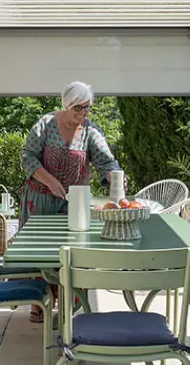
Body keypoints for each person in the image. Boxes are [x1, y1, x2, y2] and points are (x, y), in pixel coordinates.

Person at [19, 81, 122, 322]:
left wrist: (113, 177)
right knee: (41, 251)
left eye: (87, 109)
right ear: (67, 105)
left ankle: (69, 302)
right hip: (40, 199)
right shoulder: (45, 124)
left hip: (73, 203)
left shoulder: (89, 130)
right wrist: (49, 181)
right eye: (79, 108)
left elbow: (107, 162)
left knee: (73, 251)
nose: (83, 114)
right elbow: (28, 156)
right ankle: (40, 301)